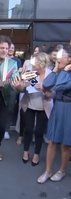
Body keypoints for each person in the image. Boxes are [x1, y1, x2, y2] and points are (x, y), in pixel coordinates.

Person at [37, 45, 71, 183]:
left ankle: (62, 170)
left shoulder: (67, 73)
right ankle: (48, 171)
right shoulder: (60, 71)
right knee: (51, 140)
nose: (57, 58)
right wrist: (56, 70)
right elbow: (46, 84)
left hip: (69, 109)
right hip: (58, 108)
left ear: (69, 59)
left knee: (65, 144)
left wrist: (65, 70)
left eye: (61, 55)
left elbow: (60, 85)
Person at [20, 52, 53, 166]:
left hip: (43, 107)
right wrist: (23, 84)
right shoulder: (30, 72)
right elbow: (22, 87)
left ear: (42, 63)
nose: (32, 65)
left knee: (39, 131)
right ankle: (26, 152)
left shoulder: (51, 74)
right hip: (29, 104)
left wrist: (44, 89)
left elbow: (54, 94)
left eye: (35, 63)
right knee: (28, 129)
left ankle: (37, 154)